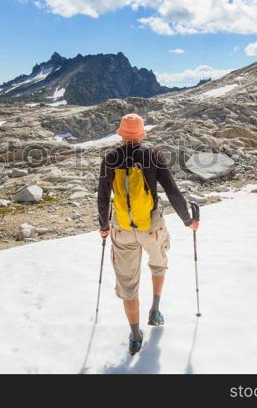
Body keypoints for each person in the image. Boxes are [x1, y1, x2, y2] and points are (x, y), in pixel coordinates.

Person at [97, 113, 199, 356]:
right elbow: (172, 192)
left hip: (122, 228)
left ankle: (134, 335)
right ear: (142, 134)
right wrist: (188, 221)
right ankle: (155, 310)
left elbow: (102, 197)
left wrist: (104, 226)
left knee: (128, 283)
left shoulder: (110, 158)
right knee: (158, 263)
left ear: (121, 133)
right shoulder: (153, 156)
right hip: (151, 226)